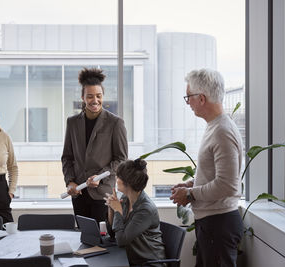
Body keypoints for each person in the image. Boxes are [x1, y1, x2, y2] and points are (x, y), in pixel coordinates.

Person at [170, 69, 243, 267]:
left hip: (219, 225)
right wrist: (190, 184)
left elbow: (227, 185)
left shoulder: (222, 131)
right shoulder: (215, 126)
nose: (188, 103)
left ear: (201, 98)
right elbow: (216, 176)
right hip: (213, 224)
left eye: (188, 97)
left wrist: (191, 194)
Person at [61, 67, 128, 223]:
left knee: (102, 240)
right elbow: (67, 157)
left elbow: (121, 159)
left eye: (99, 96)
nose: (95, 101)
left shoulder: (115, 123)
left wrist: (101, 176)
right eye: (90, 96)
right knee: (83, 238)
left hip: (103, 194)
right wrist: (70, 180)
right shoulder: (72, 123)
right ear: (82, 97)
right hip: (79, 193)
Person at [104, 159, 166, 267]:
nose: (116, 179)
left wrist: (118, 211)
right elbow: (113, 233)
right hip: (132, 259)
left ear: (128, 183)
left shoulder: (145, 210)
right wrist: (111, 208)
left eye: (118, 177)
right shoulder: (125, 199)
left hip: (148, 263)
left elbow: (121, 241)